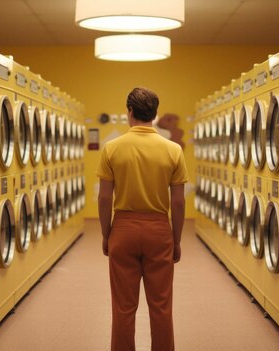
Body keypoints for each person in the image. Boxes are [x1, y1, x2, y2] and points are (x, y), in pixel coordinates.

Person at [96, 87, 188, 351]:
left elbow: (104, 199)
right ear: (155, 114)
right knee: (161, 306)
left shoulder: (111, 148)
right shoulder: (173, 150)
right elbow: (178, 201)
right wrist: (176, 239)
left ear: (130, 112)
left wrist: (106, 234)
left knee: (123, 307)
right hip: (159, 230)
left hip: (123, 229)